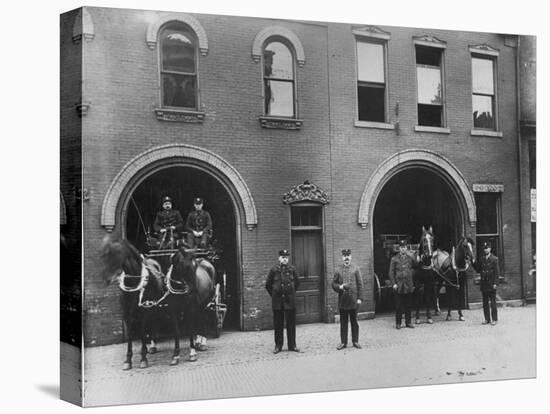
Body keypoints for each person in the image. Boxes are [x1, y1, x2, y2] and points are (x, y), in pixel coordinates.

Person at [265, 249, 301, 354]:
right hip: (278, 302)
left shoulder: (292, 269)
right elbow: (268, 285)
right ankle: (278, 345)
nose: (285, 259)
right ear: (279, 258)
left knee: (291, 324)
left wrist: (291, 294)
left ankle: (292, 345)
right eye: (283, 257)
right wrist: (274, 295)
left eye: (286, 257)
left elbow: (297, 283)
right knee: (278, 324)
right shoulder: (274, 270)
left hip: (290, 301)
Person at [332, 249, 364, 350]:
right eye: (344, 256)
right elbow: (333, 284)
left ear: (351, 257)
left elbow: (360, 284)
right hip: (343, 300)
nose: (346, 258)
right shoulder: (338, 270)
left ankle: (355, 341)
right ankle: (343, 342)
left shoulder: (356, 269)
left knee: (354, 321)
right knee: (343, 322)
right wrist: (340, 287)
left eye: (348, 256)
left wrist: (360, 298)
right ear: (342, 257)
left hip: (353, 300)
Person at [389, 240, 417, 329]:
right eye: (401, 247)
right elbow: (391, 272)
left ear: (406, 248)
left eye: (404, 247)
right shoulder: (394, 259)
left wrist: (411, 277)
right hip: (399, 286)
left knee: (408, 305)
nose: (403, 249)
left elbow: (416, 267)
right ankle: (398, 323)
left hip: (408, 285)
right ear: (399, 248)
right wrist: (393, 283)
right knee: (398, 306)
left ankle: (408, 322)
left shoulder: (410, 258)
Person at [474, 242, 499, 325]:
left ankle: (494, 319)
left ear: (490, 249)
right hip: (484, 284)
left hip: (491, 283)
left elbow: (497, 272)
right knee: (485, 303)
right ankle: (487, 319)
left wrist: (495, 283)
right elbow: (478, 269)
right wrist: (472, 262)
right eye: (485, 248)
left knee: (493, 302)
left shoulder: (494, 259)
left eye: (487, 248)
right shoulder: (481, 259)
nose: (486, 250)